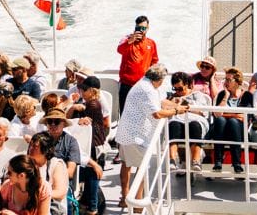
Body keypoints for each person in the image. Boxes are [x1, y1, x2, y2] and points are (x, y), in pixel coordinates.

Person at [113, 65, 182, 208]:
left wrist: (176, 104)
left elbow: (160, 102)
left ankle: (124, 198)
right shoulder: (148, 90)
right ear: (160, 79)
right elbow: (157, 113)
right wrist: (176, 111)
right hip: (137, 137)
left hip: (126, 133)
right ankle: (138, 205)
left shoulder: (143, 84)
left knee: (126, 164)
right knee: (141, 169)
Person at [64, 76, 107, 215]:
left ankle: (92, 207)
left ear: (91, 91)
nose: (81, 91)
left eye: (83, 89)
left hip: (93, 144)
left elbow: (81, 122)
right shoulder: (91, 103)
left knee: (92, 175)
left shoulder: (92, 105)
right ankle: (90, 204)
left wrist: (78, 111)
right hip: (95, 142)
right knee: (90, 175)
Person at [207, 67, 254, 174]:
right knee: (220, 121)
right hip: (222, 131)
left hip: (239, 132)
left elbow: (243, 116)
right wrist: (226, 96)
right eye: (225, 80)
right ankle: (218, 161)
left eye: (229, 80)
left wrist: (227, 114)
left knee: (232, 122)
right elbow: (217, 114)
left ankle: (236, 162)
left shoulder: (246, 96)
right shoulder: (222, 95)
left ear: (237, 82)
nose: (226, 82)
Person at [166, 71, 209, 173]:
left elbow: (202, 111)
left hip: (195, 120)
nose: (177, 91)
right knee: (173, 125)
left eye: (180, 88)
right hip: (178, 121)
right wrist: (172, 103)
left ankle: (196, 160)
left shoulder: (197, 95)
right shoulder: (172, 97)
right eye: (175, 88)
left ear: (188, 85)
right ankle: (172, 160)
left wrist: (184, 103)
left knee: (194, 126)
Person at [116, 16, 158, 113]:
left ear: (147, 28)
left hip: (144, 84)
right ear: (135, 27)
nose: (141, 30)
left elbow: (154, 61)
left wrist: (152, 81)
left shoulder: (151, 43)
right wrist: (130, 41)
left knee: (142, 112)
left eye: (143, 28)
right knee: (124, 112)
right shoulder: (127, 39)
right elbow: (119, 50)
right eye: (138, 28)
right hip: (127, 84)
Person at [26, 134, 68, 215]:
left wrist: (38, 195)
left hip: (50, 207)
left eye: (35, 146)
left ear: (45, 150)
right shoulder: (26, 164)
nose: (30, 148)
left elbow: (60, 192)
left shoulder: (56, 164)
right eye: (30, 145)